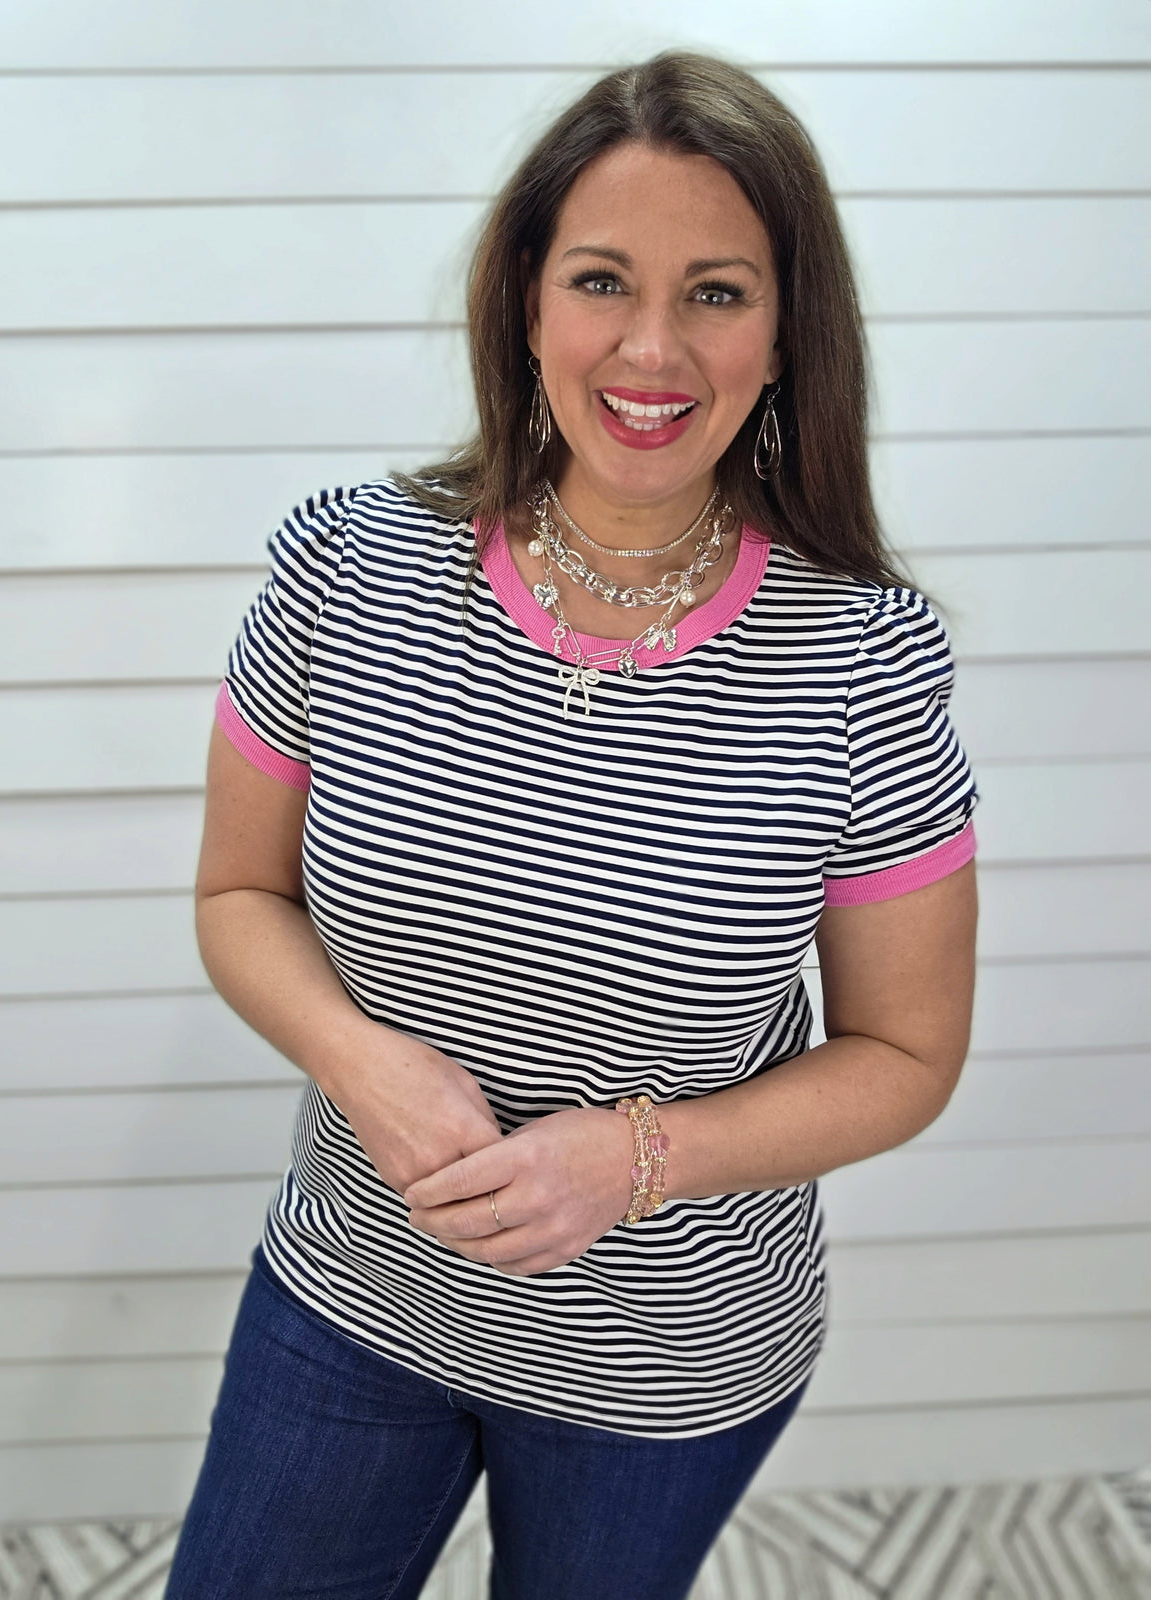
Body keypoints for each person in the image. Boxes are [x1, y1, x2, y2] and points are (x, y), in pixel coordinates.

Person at [164, 49, 979, 1600]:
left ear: (786, 332)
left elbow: (907, 1053)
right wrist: (361, 1060)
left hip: (669, 1369)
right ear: (527, 300)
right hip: (354, 1297)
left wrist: (639, 1157)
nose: (650, 347)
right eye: (602, 280)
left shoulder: (862, 659)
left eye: (717, 293)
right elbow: (236, 898)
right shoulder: (347, 565)